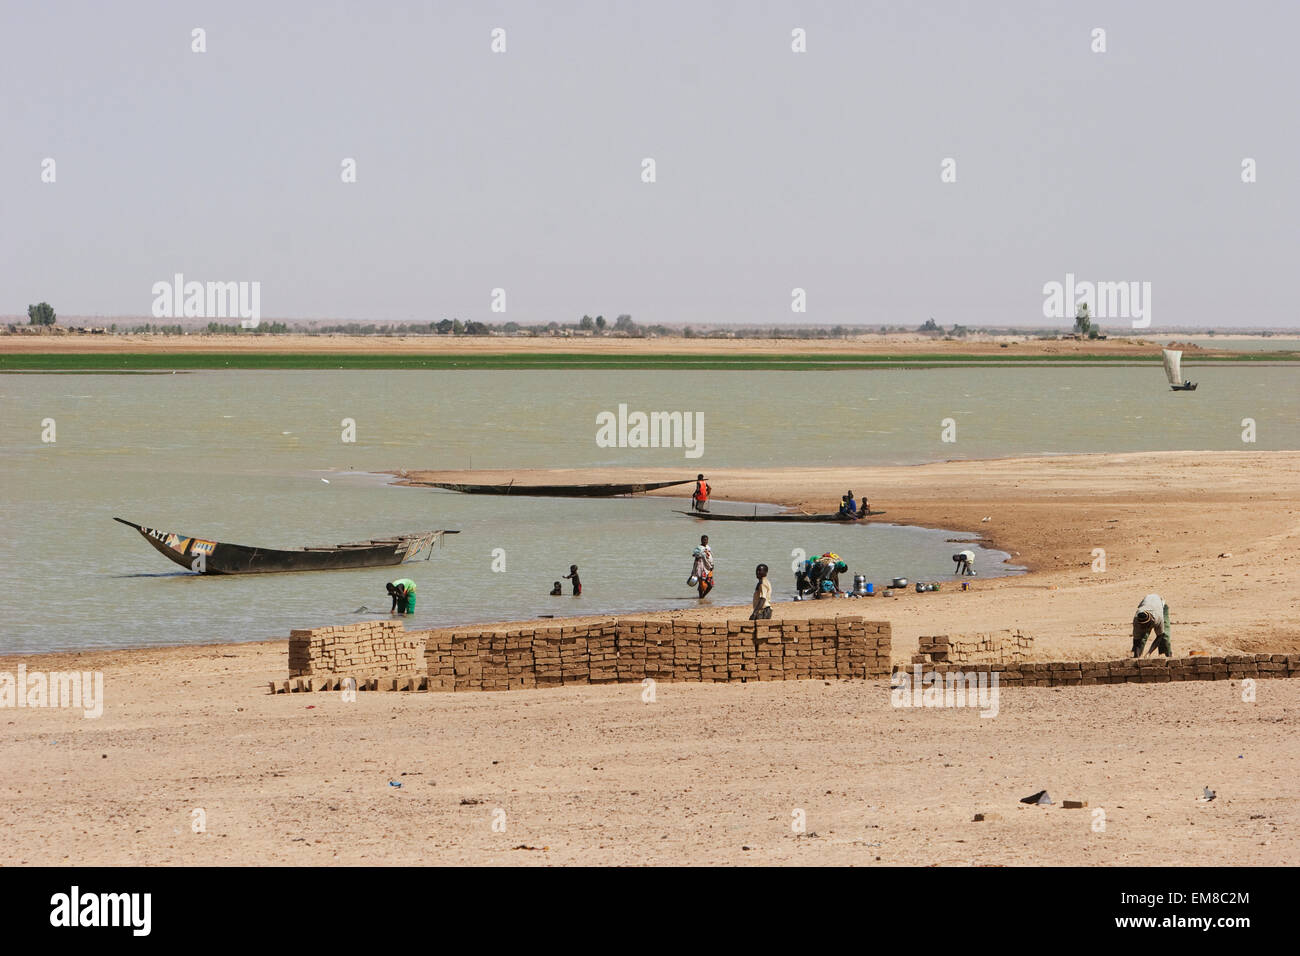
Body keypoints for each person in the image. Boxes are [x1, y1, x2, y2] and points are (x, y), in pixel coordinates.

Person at [1132, 593, 1171, 657]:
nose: (1143, 628)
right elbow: (1136, 639)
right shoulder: (1136, 620)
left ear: (1150, 622)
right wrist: (1136, 657)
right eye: (1142, 626)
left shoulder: (1157, 618)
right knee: (1142, 637)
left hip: (1161, 606)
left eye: (1145, 626)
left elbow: (1160, 636)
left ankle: (1169, 656)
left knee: (1165, 637)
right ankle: (1138, 655)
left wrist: (1149, 653)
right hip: (1147, 602)